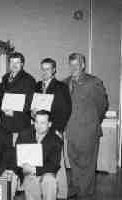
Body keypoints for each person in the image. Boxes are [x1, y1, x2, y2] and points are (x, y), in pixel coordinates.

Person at [64, 53, 108, 199]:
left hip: (88, 130)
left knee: (88, 164)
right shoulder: (65, 82)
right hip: (71, 130)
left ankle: (86, 193)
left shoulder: (93, 82)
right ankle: (77, 187)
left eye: (77, 64)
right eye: (71, 65)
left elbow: (102, 106)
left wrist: (93, 123)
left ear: (83, 65)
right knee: (74, 161)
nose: (74, 68)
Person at [16, 110, 63, 200]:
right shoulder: (24, 135)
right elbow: (16, 156)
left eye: (42, 123)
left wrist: (35, 170)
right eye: (36, 122)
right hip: (27, 172)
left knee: (50, 181)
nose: (38, 126)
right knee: (30, 179)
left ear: (49, 124)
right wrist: (22, 168)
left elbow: (54, 164)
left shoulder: (55, 140)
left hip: (46, 172)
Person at [1, 52, 36, 135]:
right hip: (5, 121)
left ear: (22, 64)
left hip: (20, 121)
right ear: (9, 64)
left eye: (17, 62)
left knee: (19, 147)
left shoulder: (29, 79)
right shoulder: (5, 77)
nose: (14, 65)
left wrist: (14, 112)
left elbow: (30, 101)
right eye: (12, 62)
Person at [35, 58, 72, 134]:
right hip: (38, 129)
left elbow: (66, 111)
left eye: (48, 69)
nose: (44, 72)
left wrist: (58, 129)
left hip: (54, 129)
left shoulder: (61, 87)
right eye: (43, 69)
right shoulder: (37, 86)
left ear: (54, 70)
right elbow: (31, 105)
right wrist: (32, 112)